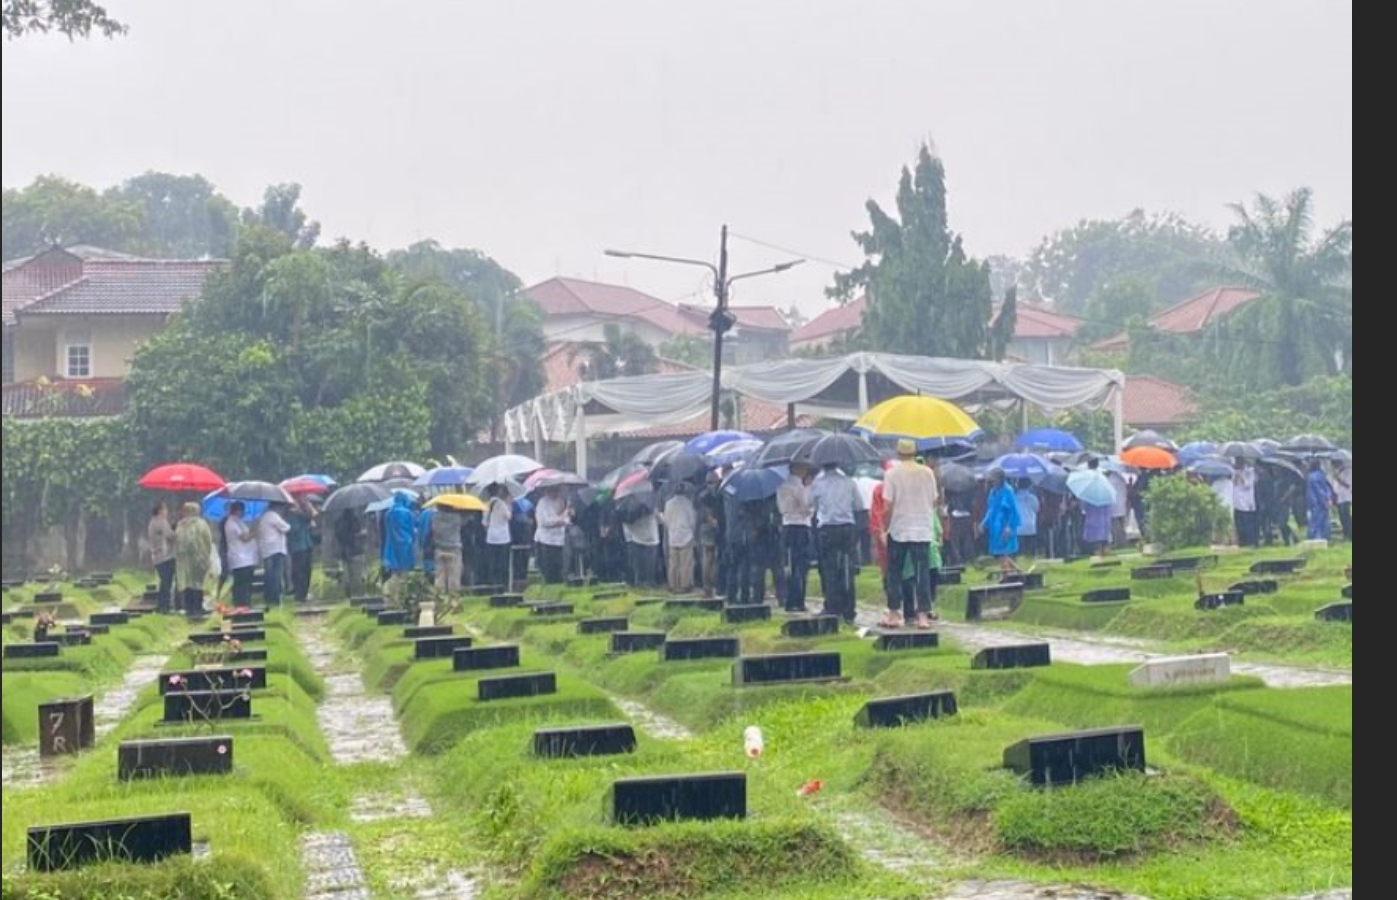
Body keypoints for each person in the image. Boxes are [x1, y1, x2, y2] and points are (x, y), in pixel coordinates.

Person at [879, 439, 940, 630]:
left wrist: (884, 527)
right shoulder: (927, 472)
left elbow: (887, 505)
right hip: (922, 529)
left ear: (898, 453)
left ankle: (894, 613)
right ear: (915, 453)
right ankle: (922, 616)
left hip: (899, 528)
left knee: (894, 572)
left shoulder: (891, 474)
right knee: (922, 573)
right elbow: (934, 500)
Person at [810, 461, 861, 625]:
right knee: (847, 568)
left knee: (829, 569)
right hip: (847, 527)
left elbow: (812, 505)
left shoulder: (817, 484)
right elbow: (858, 505)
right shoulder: (849, 482)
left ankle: (832, 606)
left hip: (827, 529)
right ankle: (849, 609)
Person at [777, 462, 815, 613]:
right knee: (801, 565)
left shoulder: (781, 486)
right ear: (798, 469)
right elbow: (806, 507)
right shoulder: (799, 487)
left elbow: (780, 508)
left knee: (789, 563)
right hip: (801, 526)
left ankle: (788, 598)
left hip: (787, 525)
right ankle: (799, 600)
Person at [173, 502, 215, 618]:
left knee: (187, 582)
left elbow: (177, 541)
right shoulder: (201, 524)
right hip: (199, 557)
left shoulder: (181, 525)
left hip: (183, 559)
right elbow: (208, 539)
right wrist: (207, 554)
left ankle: (189, 608)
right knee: (198, 582)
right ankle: (198, 607)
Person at [978, 467, 1021, 574]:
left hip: (1005, 526)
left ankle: (1006, 577)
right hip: (995, 528)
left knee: (1003, 553)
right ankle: (1019, 573)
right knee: (1000, 554)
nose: (993, 482)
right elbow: (990, 510)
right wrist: (984, 523)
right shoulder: (992, 492)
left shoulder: (1008, 491)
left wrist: (1009, 526)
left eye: (994, 480)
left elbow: (1013, 511)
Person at [662, 482, 697, 593]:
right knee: (685, 563)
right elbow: (692, 521)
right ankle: (685, 585)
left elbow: (666, 521)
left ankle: (673, 584)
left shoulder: (668, 504)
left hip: (673, 535)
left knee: (673, 563)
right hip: (686, 536)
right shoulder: (688, 503)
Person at [381, 492, 418, 598]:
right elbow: (411, 529)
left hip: (391, 545)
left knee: (395, 570)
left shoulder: (388, 513)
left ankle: (392, 592)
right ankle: (401, 594)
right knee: (404, 571)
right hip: (405, 544)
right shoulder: (407, 513)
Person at [223, 501, 259, 608]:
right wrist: (255, 532)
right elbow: (244, 538)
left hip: (246, 558)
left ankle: (246, 602)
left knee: (247, 583)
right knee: (242, 583)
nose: (244, 513)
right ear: (237, 511)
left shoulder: (238, 522)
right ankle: (241, 603)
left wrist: (251, 530)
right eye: (243, 511)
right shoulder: (232, 523)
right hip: (240, 558)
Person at [256, 501, 291, 607]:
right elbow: (286, 527)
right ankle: (275, 598)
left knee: (269, 574)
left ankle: (268, 597)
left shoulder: (263, 517)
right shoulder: (273, 516)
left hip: (266, 550)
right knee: (276, 574)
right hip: (276, 549)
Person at [534, 485, 570, 583]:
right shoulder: (542, 503)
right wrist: (559, 520)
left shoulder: (561, 501)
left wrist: (562, 518)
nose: (555, 493)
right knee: (547, 568)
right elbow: (544, 522)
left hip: (559, 540)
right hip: (545, 539)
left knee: (559, 566)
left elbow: (566, 519)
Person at [286, 497, 317, 603]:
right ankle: (299, 594)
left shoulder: (303, 514)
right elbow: (294, 529)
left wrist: (308, 509)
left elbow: (312, 517)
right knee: (299, 570)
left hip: (307, 544)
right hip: (298, 546)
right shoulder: (291, 514)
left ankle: (304, 592)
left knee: (307, 570)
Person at [147, 502, 177, 613]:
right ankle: (164, 606)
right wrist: (177, 530)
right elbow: (171, 536)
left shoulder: (152, 523)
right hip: (165, 556)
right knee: (166, 583)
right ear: (160, 510)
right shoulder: (161, 522)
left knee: (164, 582)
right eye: (165, 509)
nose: (166, 511)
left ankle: (162, 605)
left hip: (157, 556)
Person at [484, 484, 513, 588]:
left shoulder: (487, 504)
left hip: (491, 537)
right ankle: (502, 584)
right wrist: (509, 504)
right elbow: (508, 517)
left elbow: (484, 523)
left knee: (492, 562)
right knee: (502, 563)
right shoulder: (502, 504)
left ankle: (493, 584)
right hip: (503, 537)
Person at [431, 505, 464, 594]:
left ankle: (439, 595)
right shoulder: (457, 518)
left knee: (439, 575)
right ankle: (453, 596)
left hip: (439, 548)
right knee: (454, 575)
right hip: (454, 549)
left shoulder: (435, 518)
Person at [334, 509, 366, 597]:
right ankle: (358, 594)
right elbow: (356, 533)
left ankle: (348, 593)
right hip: (355, 551)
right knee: (357, 574)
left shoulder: (338, 522)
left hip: (343, 551)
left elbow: (338, 535)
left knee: (346, 574)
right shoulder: (354, 519)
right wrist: (361, 534)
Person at [1306, 459, 1335, 540]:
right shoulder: (1322, 475)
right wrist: (1328, 499)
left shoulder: (1312, 476)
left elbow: (1318, 490)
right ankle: (1325, 537)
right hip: (1322, 501)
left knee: (1316, 521)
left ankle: (1316, 537)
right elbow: (1326, 488)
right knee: (1325, 520)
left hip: (1316, 502)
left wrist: (1324, 501)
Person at [1233, 461, 1258, 548]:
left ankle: (1251, 542)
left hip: (1247, 504)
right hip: (1237, 503)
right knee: (1239, 525)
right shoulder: (1234, 472)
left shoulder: (1250, 472)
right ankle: (1242, 542)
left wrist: (1241, 476)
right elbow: (1233, 484)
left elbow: (1247, 485)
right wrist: (1236, 476)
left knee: (1248, 525)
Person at [1014, 478, 1040, 558]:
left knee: (1019, 553)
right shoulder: (1033, 498)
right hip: (1030, 526)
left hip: (1018, 527)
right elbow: (1037, 509)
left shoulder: (1014, 497)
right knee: (1030, 551)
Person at [1329, 461, 1352, 541]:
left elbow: (1348, 484)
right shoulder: (1337, 472)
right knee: (1341, 517)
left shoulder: (1348, 471)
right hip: (1339, 497)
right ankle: (1345, 533)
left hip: (1346, 497)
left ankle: (1350, 534)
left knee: (1346, 516)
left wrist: (1338, 479)